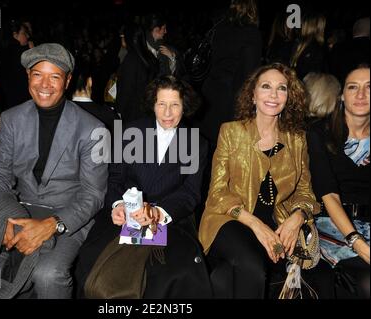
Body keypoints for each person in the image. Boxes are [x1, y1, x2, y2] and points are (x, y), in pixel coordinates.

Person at [0, 43, 108, 299]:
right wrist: (2, 214)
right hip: (16, 211)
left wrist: (54, 224)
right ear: (28, 76)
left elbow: (93, 194)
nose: (44, 84)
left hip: (65, 215)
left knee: (47, 275)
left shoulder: (95, 129)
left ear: (68, 80)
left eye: (55, 76)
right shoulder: (13, 119)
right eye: (38, 74)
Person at [199, 63, 334, 298]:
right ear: (252, 95)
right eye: (266, 86)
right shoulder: (231, 132)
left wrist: (297, 217)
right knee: (252, 265)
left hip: (278, 221)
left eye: (282, 88)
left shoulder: (297, 139)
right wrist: (256, 225)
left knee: (322, 276)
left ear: (289, 97)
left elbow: (305, 191)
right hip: (231, 217)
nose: (273, 95)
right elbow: (217, 192)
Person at [74, 75, 212, 299]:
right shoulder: (130, 132)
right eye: (162, 104)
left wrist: (159, 213)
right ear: (153, 104)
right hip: (125, 214)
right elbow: (114, 178)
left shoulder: (196, 142)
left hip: (171, 217)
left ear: (184, 106)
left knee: (171, 273)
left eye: (175, 104)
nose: (167, 113)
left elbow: (190, 193)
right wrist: (118, 205)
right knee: (91, 259)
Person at [307, 64, 370, 298]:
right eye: (353, 87)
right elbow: (329, 194)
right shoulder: (319, 133)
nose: (361, 95)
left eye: (369, 87)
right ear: (342, 95)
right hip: (331, 224)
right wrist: (357, 242)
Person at [199, 0, 262, 149]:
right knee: (229, 151)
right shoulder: (251, 34)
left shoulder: (219, 28)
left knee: (209, 148)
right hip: (231, 99)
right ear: (252, 10)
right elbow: (250, 75)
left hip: (209, 93)